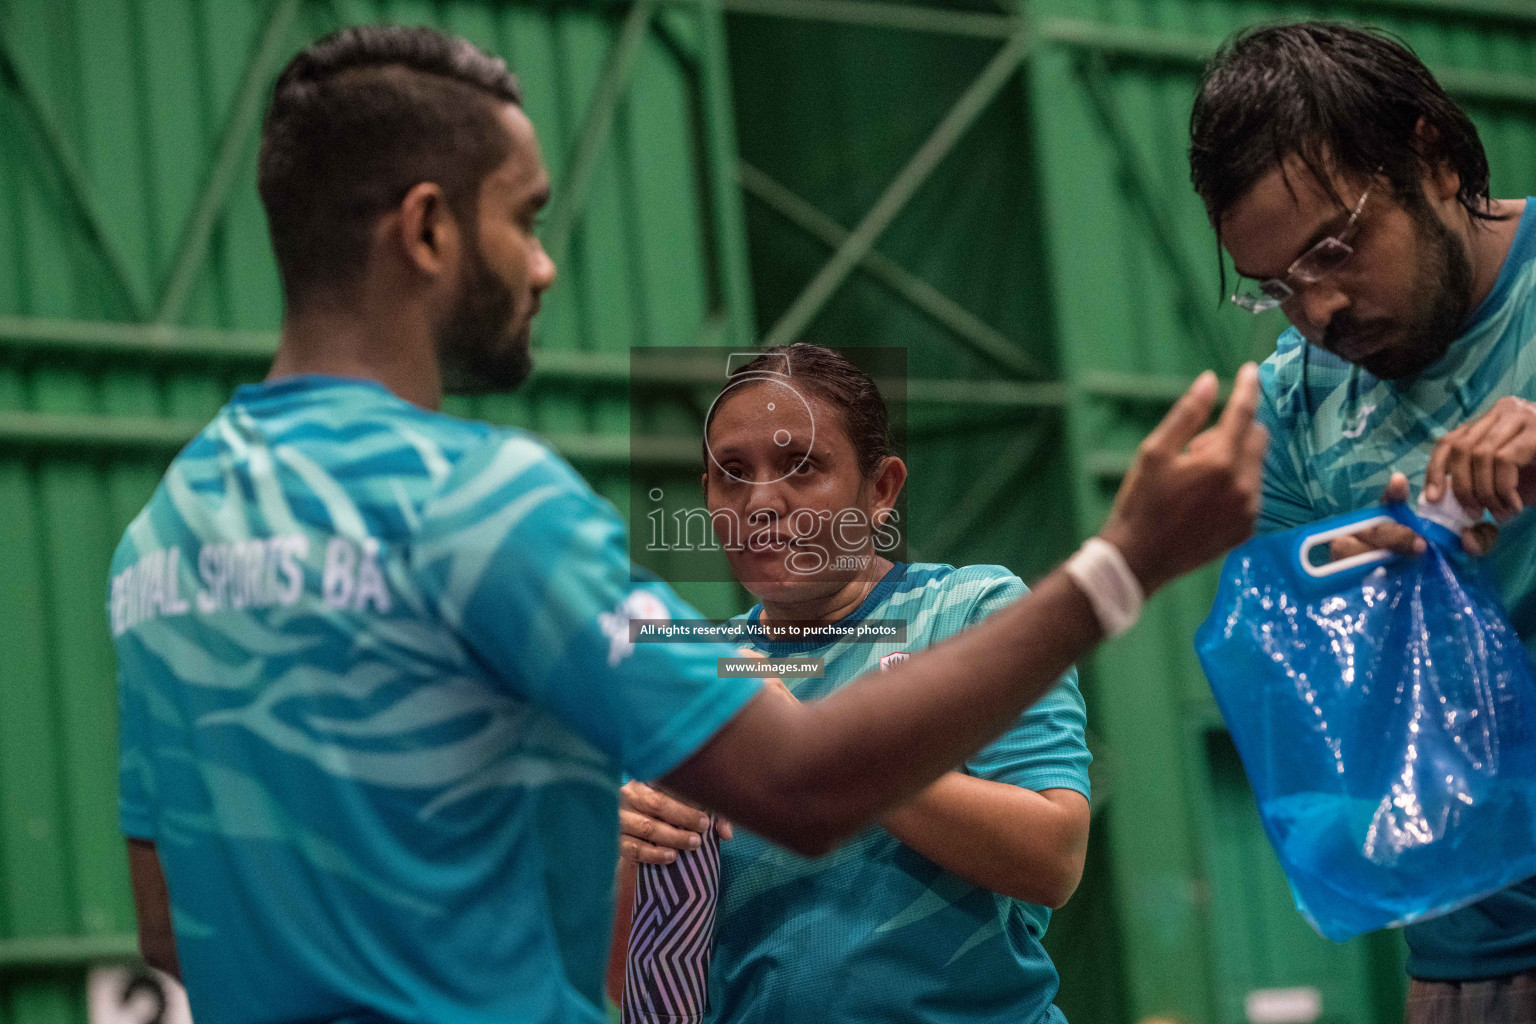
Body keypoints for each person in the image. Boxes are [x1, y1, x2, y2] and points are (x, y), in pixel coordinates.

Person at [110, 23, 1264, 1024]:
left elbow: (171, 931)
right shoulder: (482, 502)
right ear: (426, 229)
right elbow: (805, 788)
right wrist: (1122, 564)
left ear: (883, 488)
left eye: (800, 467)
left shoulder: (161, 537)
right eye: (527, 218)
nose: (547, 264)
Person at [1190, 21, 1536, 1023]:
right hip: (1474, 960)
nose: (1319, 309)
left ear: (1431, 157)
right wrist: (1376, 612)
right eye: (1276, 289)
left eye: (1334, 250)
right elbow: (1347, 744)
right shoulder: (1291, 412)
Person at [617, 344, 1092, 1023]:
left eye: (801, 467)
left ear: (881, 490)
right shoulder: (693, 669)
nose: (761, 502)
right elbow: (626, 978)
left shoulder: (972, 614)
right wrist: (630, 853)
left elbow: (1053, 857)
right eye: (732, 474)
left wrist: (822, 749)